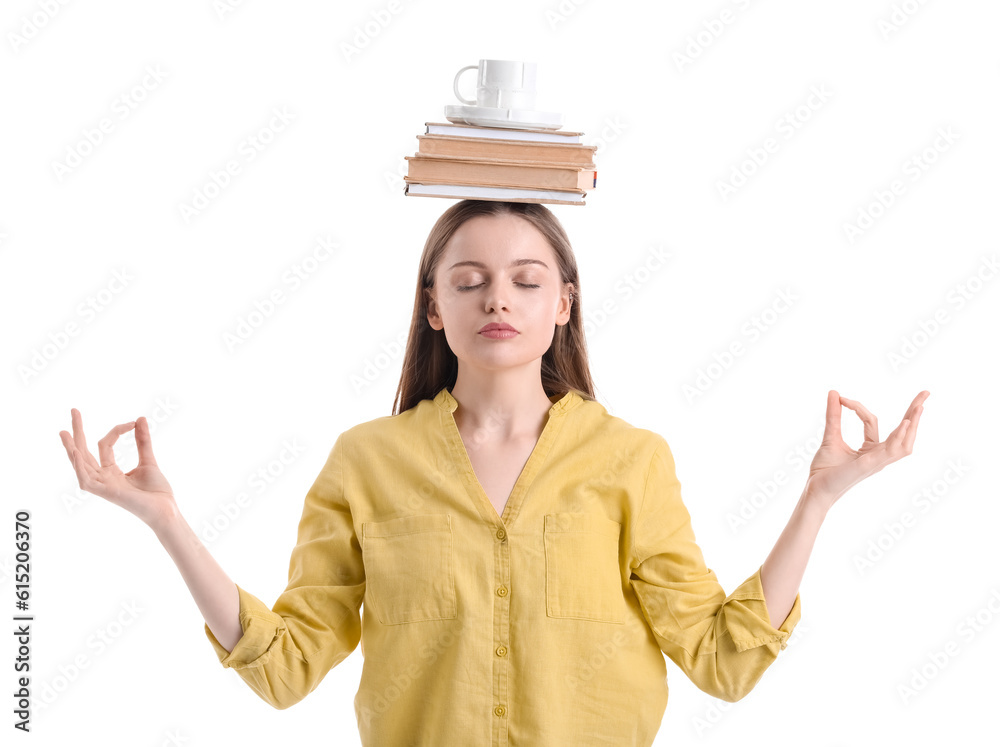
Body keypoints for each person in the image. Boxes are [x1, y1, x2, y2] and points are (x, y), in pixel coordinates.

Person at [59, 199, 929, 746]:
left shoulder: (632, 459)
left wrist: (820, 499)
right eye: (469, 281)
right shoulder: (366, 461)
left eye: (525, 279)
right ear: (434, 307)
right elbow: (286, 665)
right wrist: (166, 521)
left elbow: (720, 660)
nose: (498, 300)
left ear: (563, 303)